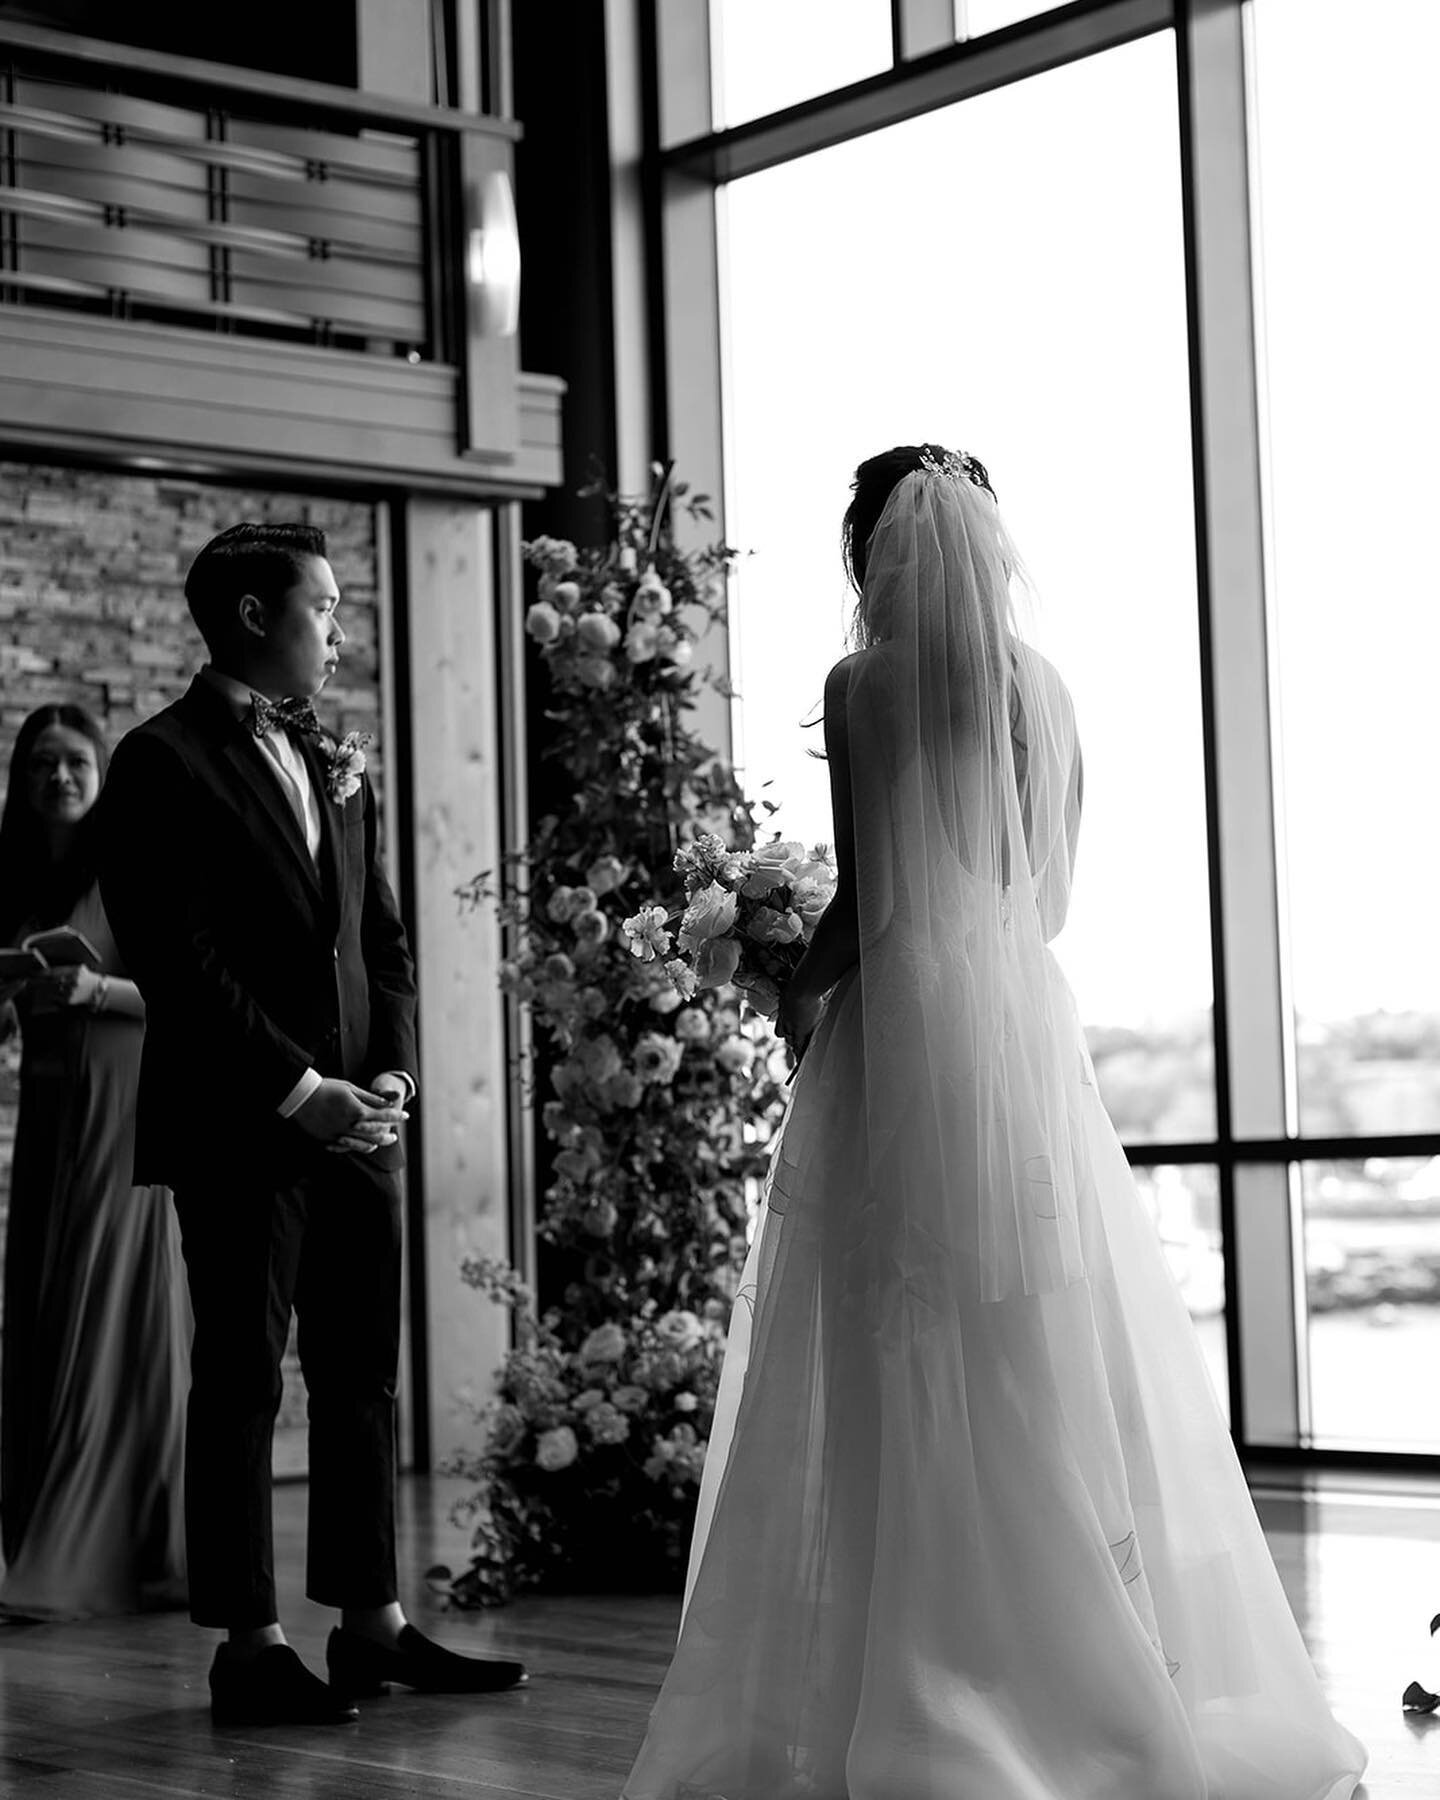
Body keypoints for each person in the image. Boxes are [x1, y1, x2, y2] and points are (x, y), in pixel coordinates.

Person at [623, 448, 1366, 1800]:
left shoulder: (864, 686)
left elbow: (865, 901)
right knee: (1038, 1344)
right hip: (1020, 1041)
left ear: (871, 549)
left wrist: (788, 980)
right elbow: (1045, 896)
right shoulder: (1042, 688)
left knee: (888, 1348)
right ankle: (1102, 1670)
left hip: (900, 1045)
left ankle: (910, 1677)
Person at [97, 522, 525, 1727]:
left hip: (358, 1125)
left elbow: (378, 943)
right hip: (245, 1126)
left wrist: (386, 1079)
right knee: (241, 1377)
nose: (338, 630)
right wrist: (299, 1089)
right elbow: (180, 962)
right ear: (250, 616)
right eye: (323, 608)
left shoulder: (339, 761)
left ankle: (371, 1625)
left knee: (358, 1379)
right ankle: (250, 1645)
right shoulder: (159, 762)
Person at [0, 703, 187, 1620]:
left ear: (100, 772)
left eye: (74, 762)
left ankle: (103, 1552)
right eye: (40, 764)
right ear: (20, 779)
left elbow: (192, 992)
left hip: (121, 1106)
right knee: (41, 1298)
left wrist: (92, 986)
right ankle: (40, 1526)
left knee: (98, 1299)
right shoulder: (19, 879)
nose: (58, 778)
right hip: (49, 1111)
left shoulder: (131, 866)